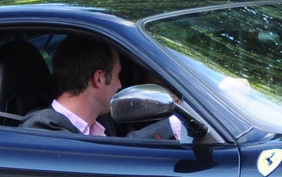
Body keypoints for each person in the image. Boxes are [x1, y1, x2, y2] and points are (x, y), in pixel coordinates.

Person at [19, 35, 185, 140]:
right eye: (117, 76)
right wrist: (175, 124)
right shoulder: (43, 129)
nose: (120, 85)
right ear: (98, 78)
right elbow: (105, 163)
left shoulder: (99, 124)